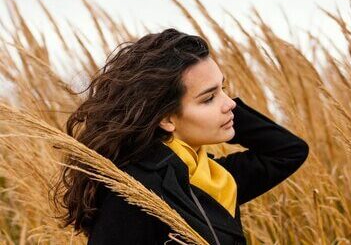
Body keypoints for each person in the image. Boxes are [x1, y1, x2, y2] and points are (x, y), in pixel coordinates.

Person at [52, 28, 309, 244]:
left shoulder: (211, 177)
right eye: (208, 98)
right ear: (166, 118)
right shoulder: (134, 189)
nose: (229, 103)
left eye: (224, 88)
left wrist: (223, 108)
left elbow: (288, 152)